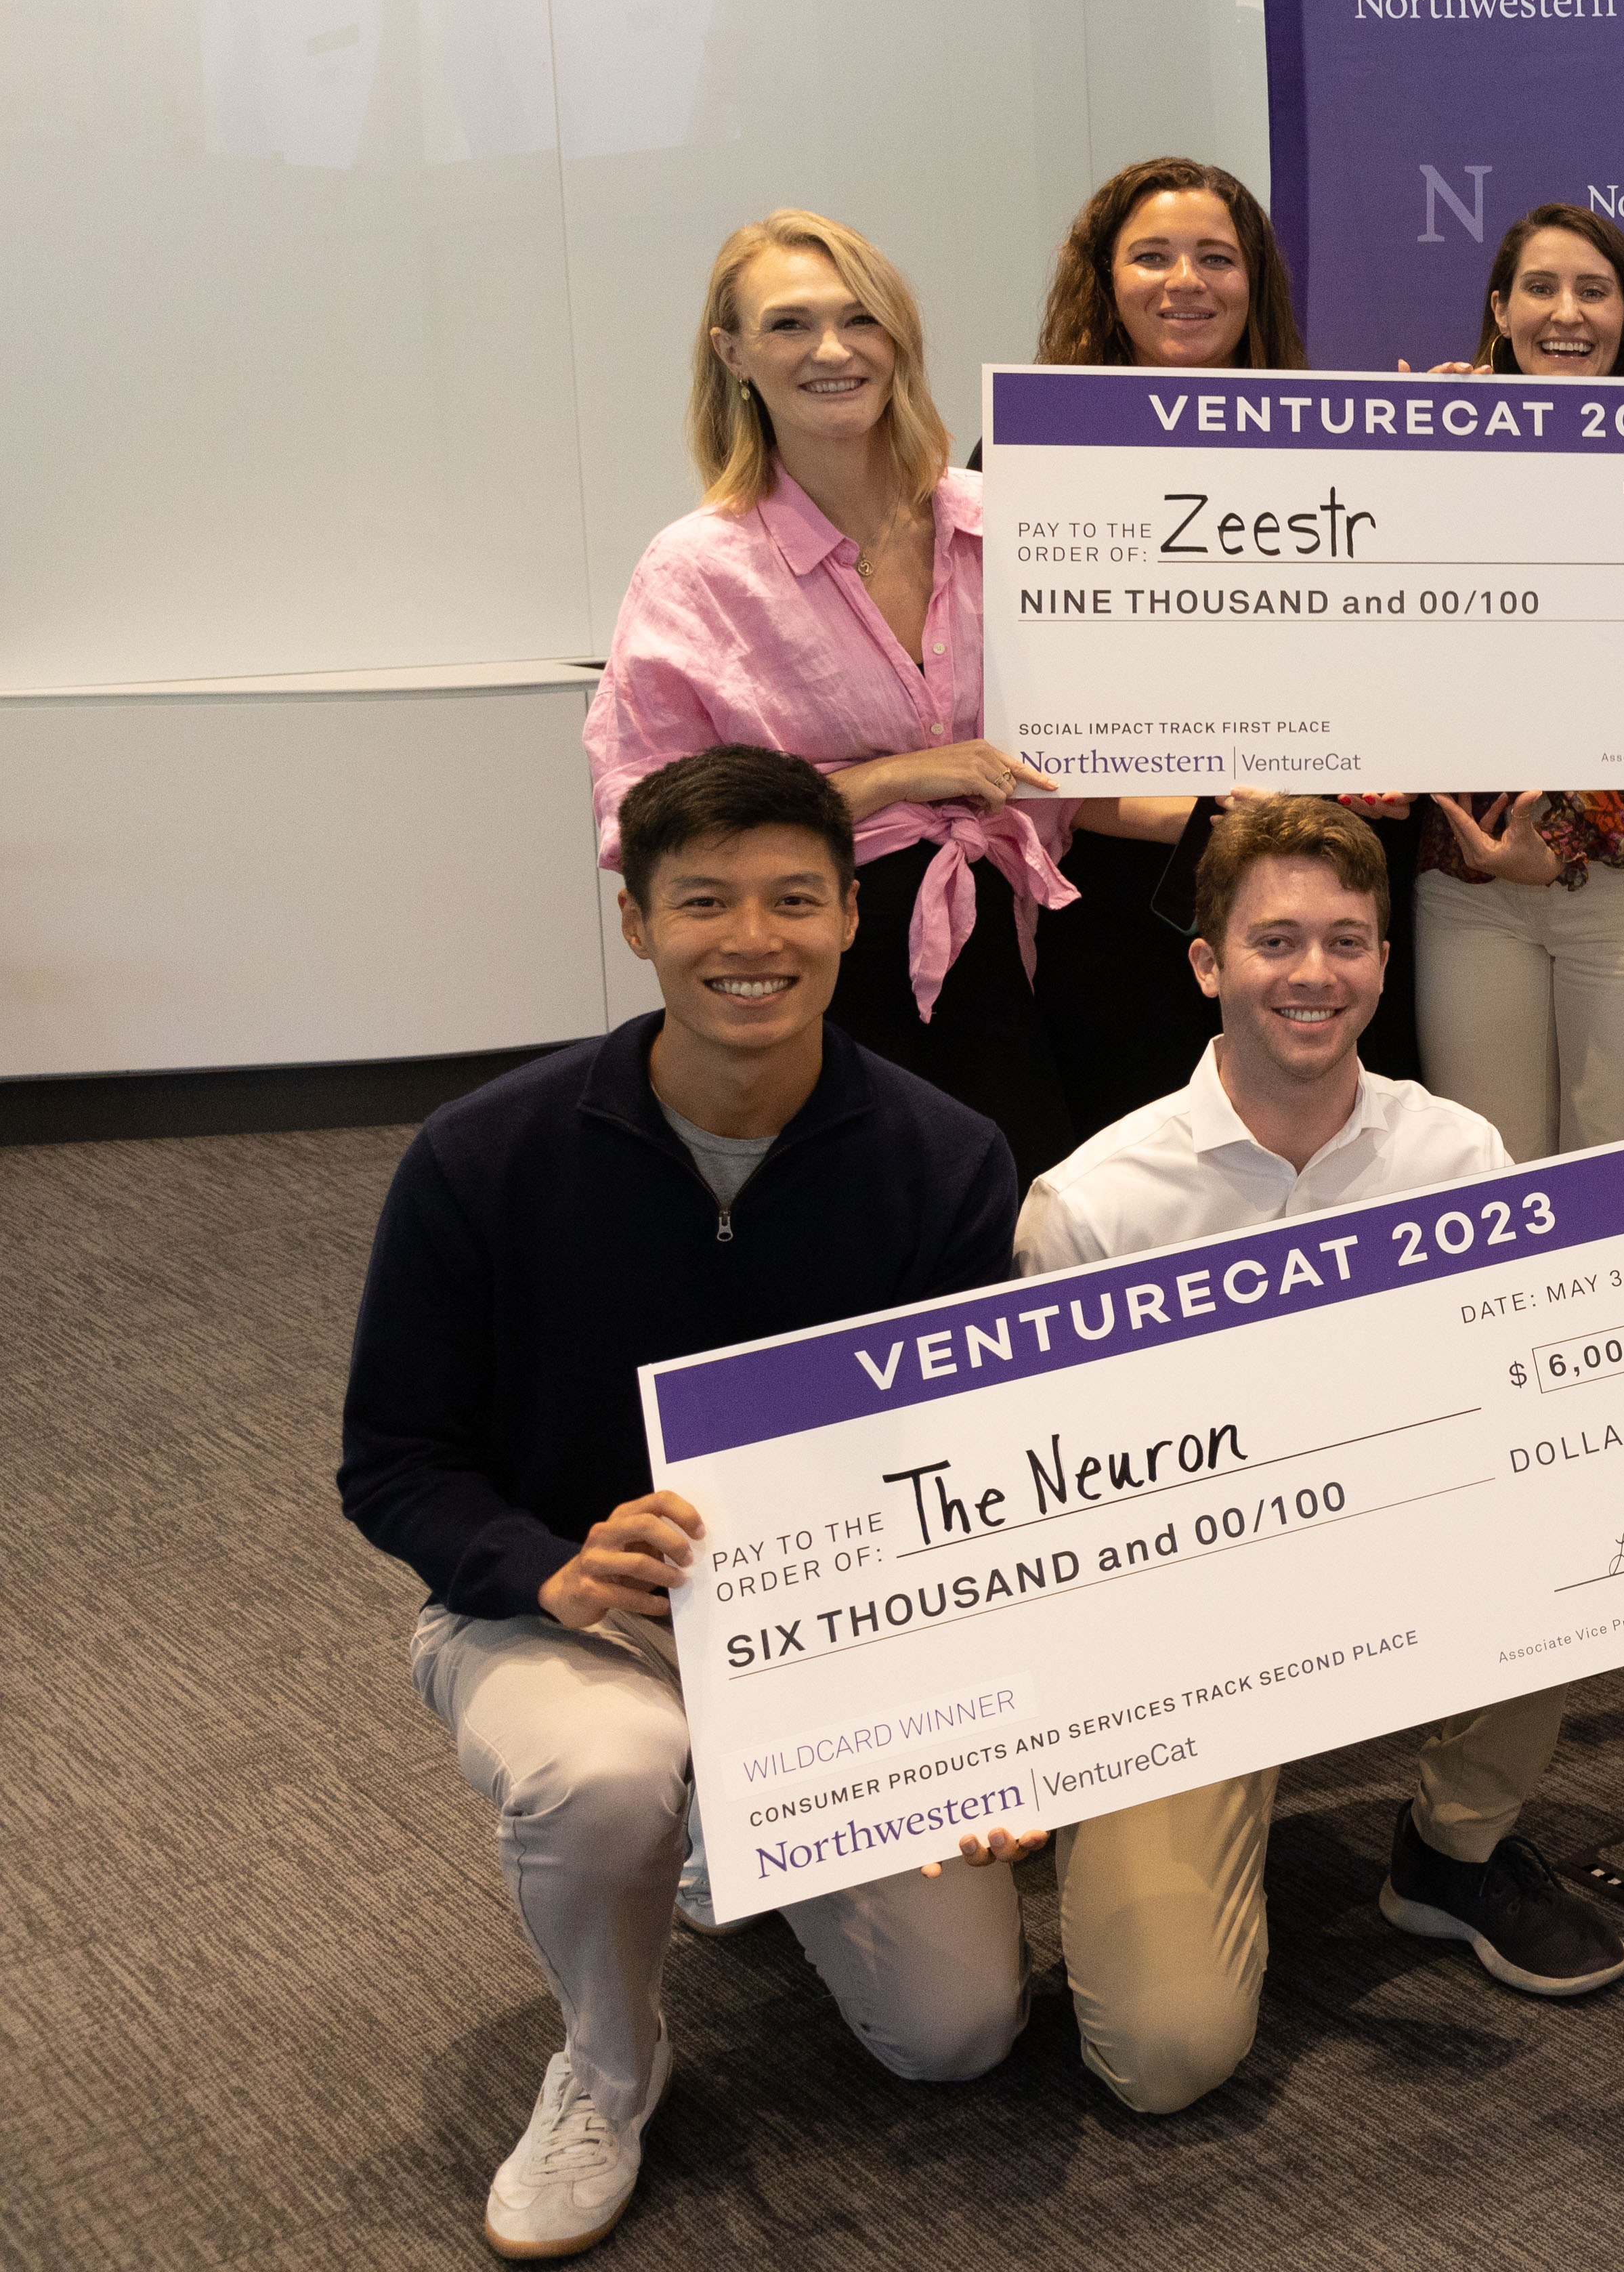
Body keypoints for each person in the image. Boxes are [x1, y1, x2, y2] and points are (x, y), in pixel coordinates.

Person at [341, 746, 1029, 2258]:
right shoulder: (481, 1156)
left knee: (958, 2031)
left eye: (796, 898)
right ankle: (606, 2059)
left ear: (855, 916)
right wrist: (545, 1564)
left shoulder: (945, 1159)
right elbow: (391, 1457)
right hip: (572, 1620)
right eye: (704, 899)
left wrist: (985, 1720)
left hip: (840, 1634)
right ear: (637, 920)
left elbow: (979, 1471)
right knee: (604, 1777)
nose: (753, 937)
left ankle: (743, 1822)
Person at [1016, 795, 1624, 2112]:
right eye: (1275, 941)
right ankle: (1192, 1835)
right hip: (1185, 1645)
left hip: (1396, 1574)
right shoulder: (1096, 1205)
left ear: (1384, 957)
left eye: (1348, 940)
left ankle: (1454, 1844)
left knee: (1601, 1513)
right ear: (1207, 962)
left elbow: (1531, 1377)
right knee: (1165, 2056)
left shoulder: (1454, 1150)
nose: (1314, 974)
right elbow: (1049, 1521)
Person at [589, 211, 1080, 1174]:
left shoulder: (1009, 525)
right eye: (788, 325)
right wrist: (897, 778)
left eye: (861, 319)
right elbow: (646, 821)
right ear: (732, 354)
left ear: (898, 339)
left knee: (1024, 1238)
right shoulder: (696, 572)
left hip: (1029, 951)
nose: (832, 350)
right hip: (810, 969)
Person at [1412, 205, 1624, 1170]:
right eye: (1540, 288)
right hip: (1466, 884)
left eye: (1594, 289)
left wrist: (1567, 841)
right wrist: (1409, 459)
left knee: (1620, 1194)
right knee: (1484, 1185)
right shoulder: (1424, 449)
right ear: (1501, 312)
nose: (1566, 313)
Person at [1022, 157, 1310, 1141]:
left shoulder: (1334, 444)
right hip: (1115, 909)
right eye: (1152, 256)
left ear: (1255, 281)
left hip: (1306, 898)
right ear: (1105, 279)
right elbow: (1016, 725)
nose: (1186, 281)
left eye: (1215, 259)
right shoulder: (1027, 455)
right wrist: (1187, 814)